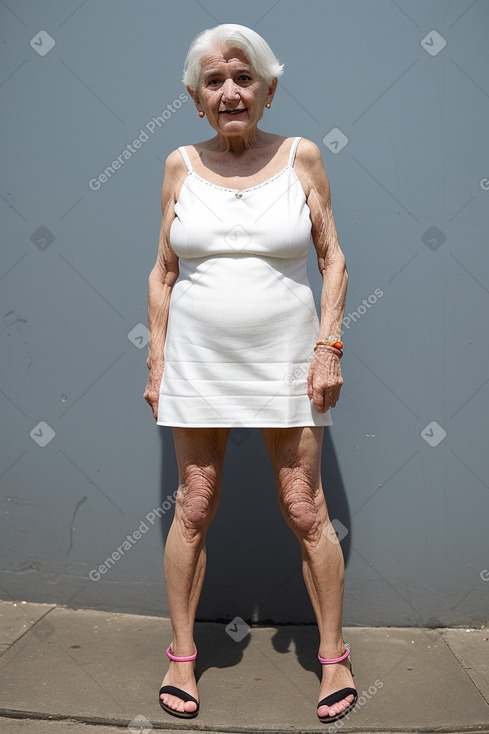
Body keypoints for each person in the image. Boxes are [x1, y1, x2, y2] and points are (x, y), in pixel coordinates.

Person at [143, 23, 356, 725]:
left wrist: (328, 346)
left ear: (267, 90)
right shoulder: (177, 163)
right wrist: (156, 359)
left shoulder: (302, 157)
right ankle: (181, 656)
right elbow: (164, 270)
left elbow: (333, 258)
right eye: (214, 81)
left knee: (304, 506)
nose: (229, 91)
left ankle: (332, 658)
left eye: (243, 79)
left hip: (286, 362)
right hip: (196, 363)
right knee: (194, 503)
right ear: (196, 98)